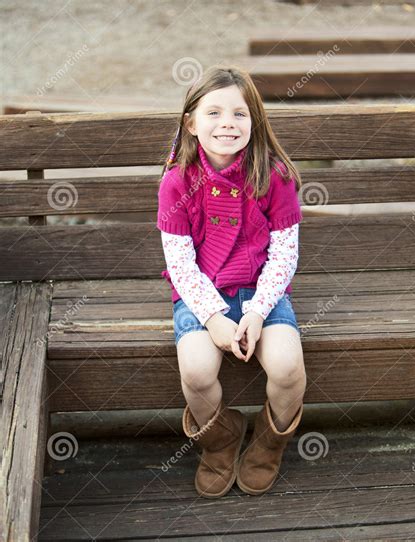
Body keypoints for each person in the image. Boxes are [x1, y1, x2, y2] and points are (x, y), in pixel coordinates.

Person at [156, 65, 307, 498]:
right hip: (201, 295)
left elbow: (284, 253)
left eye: (240, 114)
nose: (227, 123)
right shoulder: (176, 182)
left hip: (264, 291)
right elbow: (181, 264)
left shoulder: (272, 176)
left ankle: (268, 443)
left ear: (254, 121)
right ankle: (220, 441)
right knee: (198, 371)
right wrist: (214, 317)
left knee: (286, 367)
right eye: (214, 113)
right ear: (191, 122)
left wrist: (258, 310)